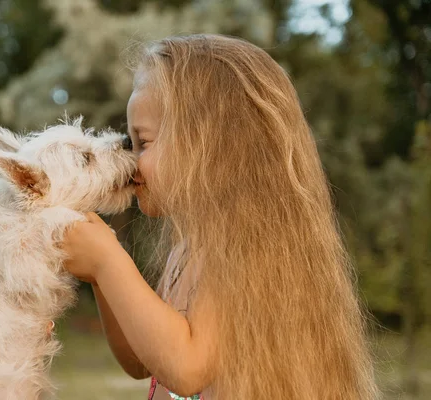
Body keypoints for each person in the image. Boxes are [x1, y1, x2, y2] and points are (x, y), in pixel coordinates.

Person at [61, 34, 378, 399]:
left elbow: (186, 369)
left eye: (143, 143)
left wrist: (106, 261)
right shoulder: (188, 249)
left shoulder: (252, 245)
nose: (132, 160)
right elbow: (141, 360)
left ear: (208, 146)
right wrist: (100, 276)